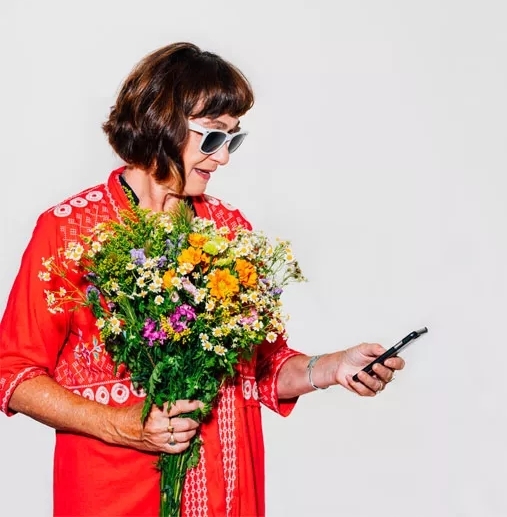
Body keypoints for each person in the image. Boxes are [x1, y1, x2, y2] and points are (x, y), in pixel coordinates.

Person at [0, 42, 405, 517]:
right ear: (161, 123)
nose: (225, 157)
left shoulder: (229, 231)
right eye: (212, 137)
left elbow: (263, 368)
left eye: (234, 139)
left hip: (226, 489)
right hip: (114, 493)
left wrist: (331, 368)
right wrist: (119, 424)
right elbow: (15, 375)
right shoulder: (70, 230)